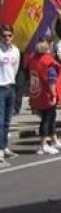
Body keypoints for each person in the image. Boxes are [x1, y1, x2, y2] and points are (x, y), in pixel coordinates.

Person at [27, 40, 61, 155]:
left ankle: (55, 141)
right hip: (47, 95)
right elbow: (51, 80)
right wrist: (54, 95)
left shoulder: (33, 60)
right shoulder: (48, 62)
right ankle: (43, 145)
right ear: (48, 49)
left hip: (38, 94)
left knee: (50, 118)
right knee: (47, 120)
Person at [0, 25, 20, 165]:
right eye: (4, 35)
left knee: (7, 120)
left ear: (13, 36)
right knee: (0, 121)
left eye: (9, 35)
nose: (7, 38)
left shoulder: (16, 51)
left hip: (11, 87)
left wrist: (11, 81)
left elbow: (15, 68)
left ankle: (5, 146)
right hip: (0, 88)